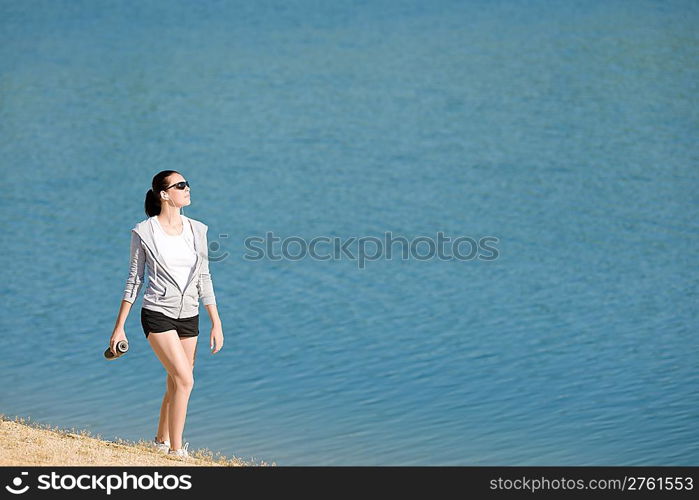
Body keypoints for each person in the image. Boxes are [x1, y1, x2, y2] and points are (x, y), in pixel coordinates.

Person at [108, 170, 224, 460]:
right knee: (185, 380)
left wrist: (216, 321)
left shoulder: (198, 230)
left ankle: (160, 439)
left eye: (187, 184)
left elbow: (204, 278)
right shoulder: (144, 232)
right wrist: (119, 327)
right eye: (181, 185)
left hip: (190, 314)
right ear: (164, 194)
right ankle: (176, 450)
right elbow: (134, 280)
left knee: (176, 380)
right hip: (157, 313)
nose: (188, 189)